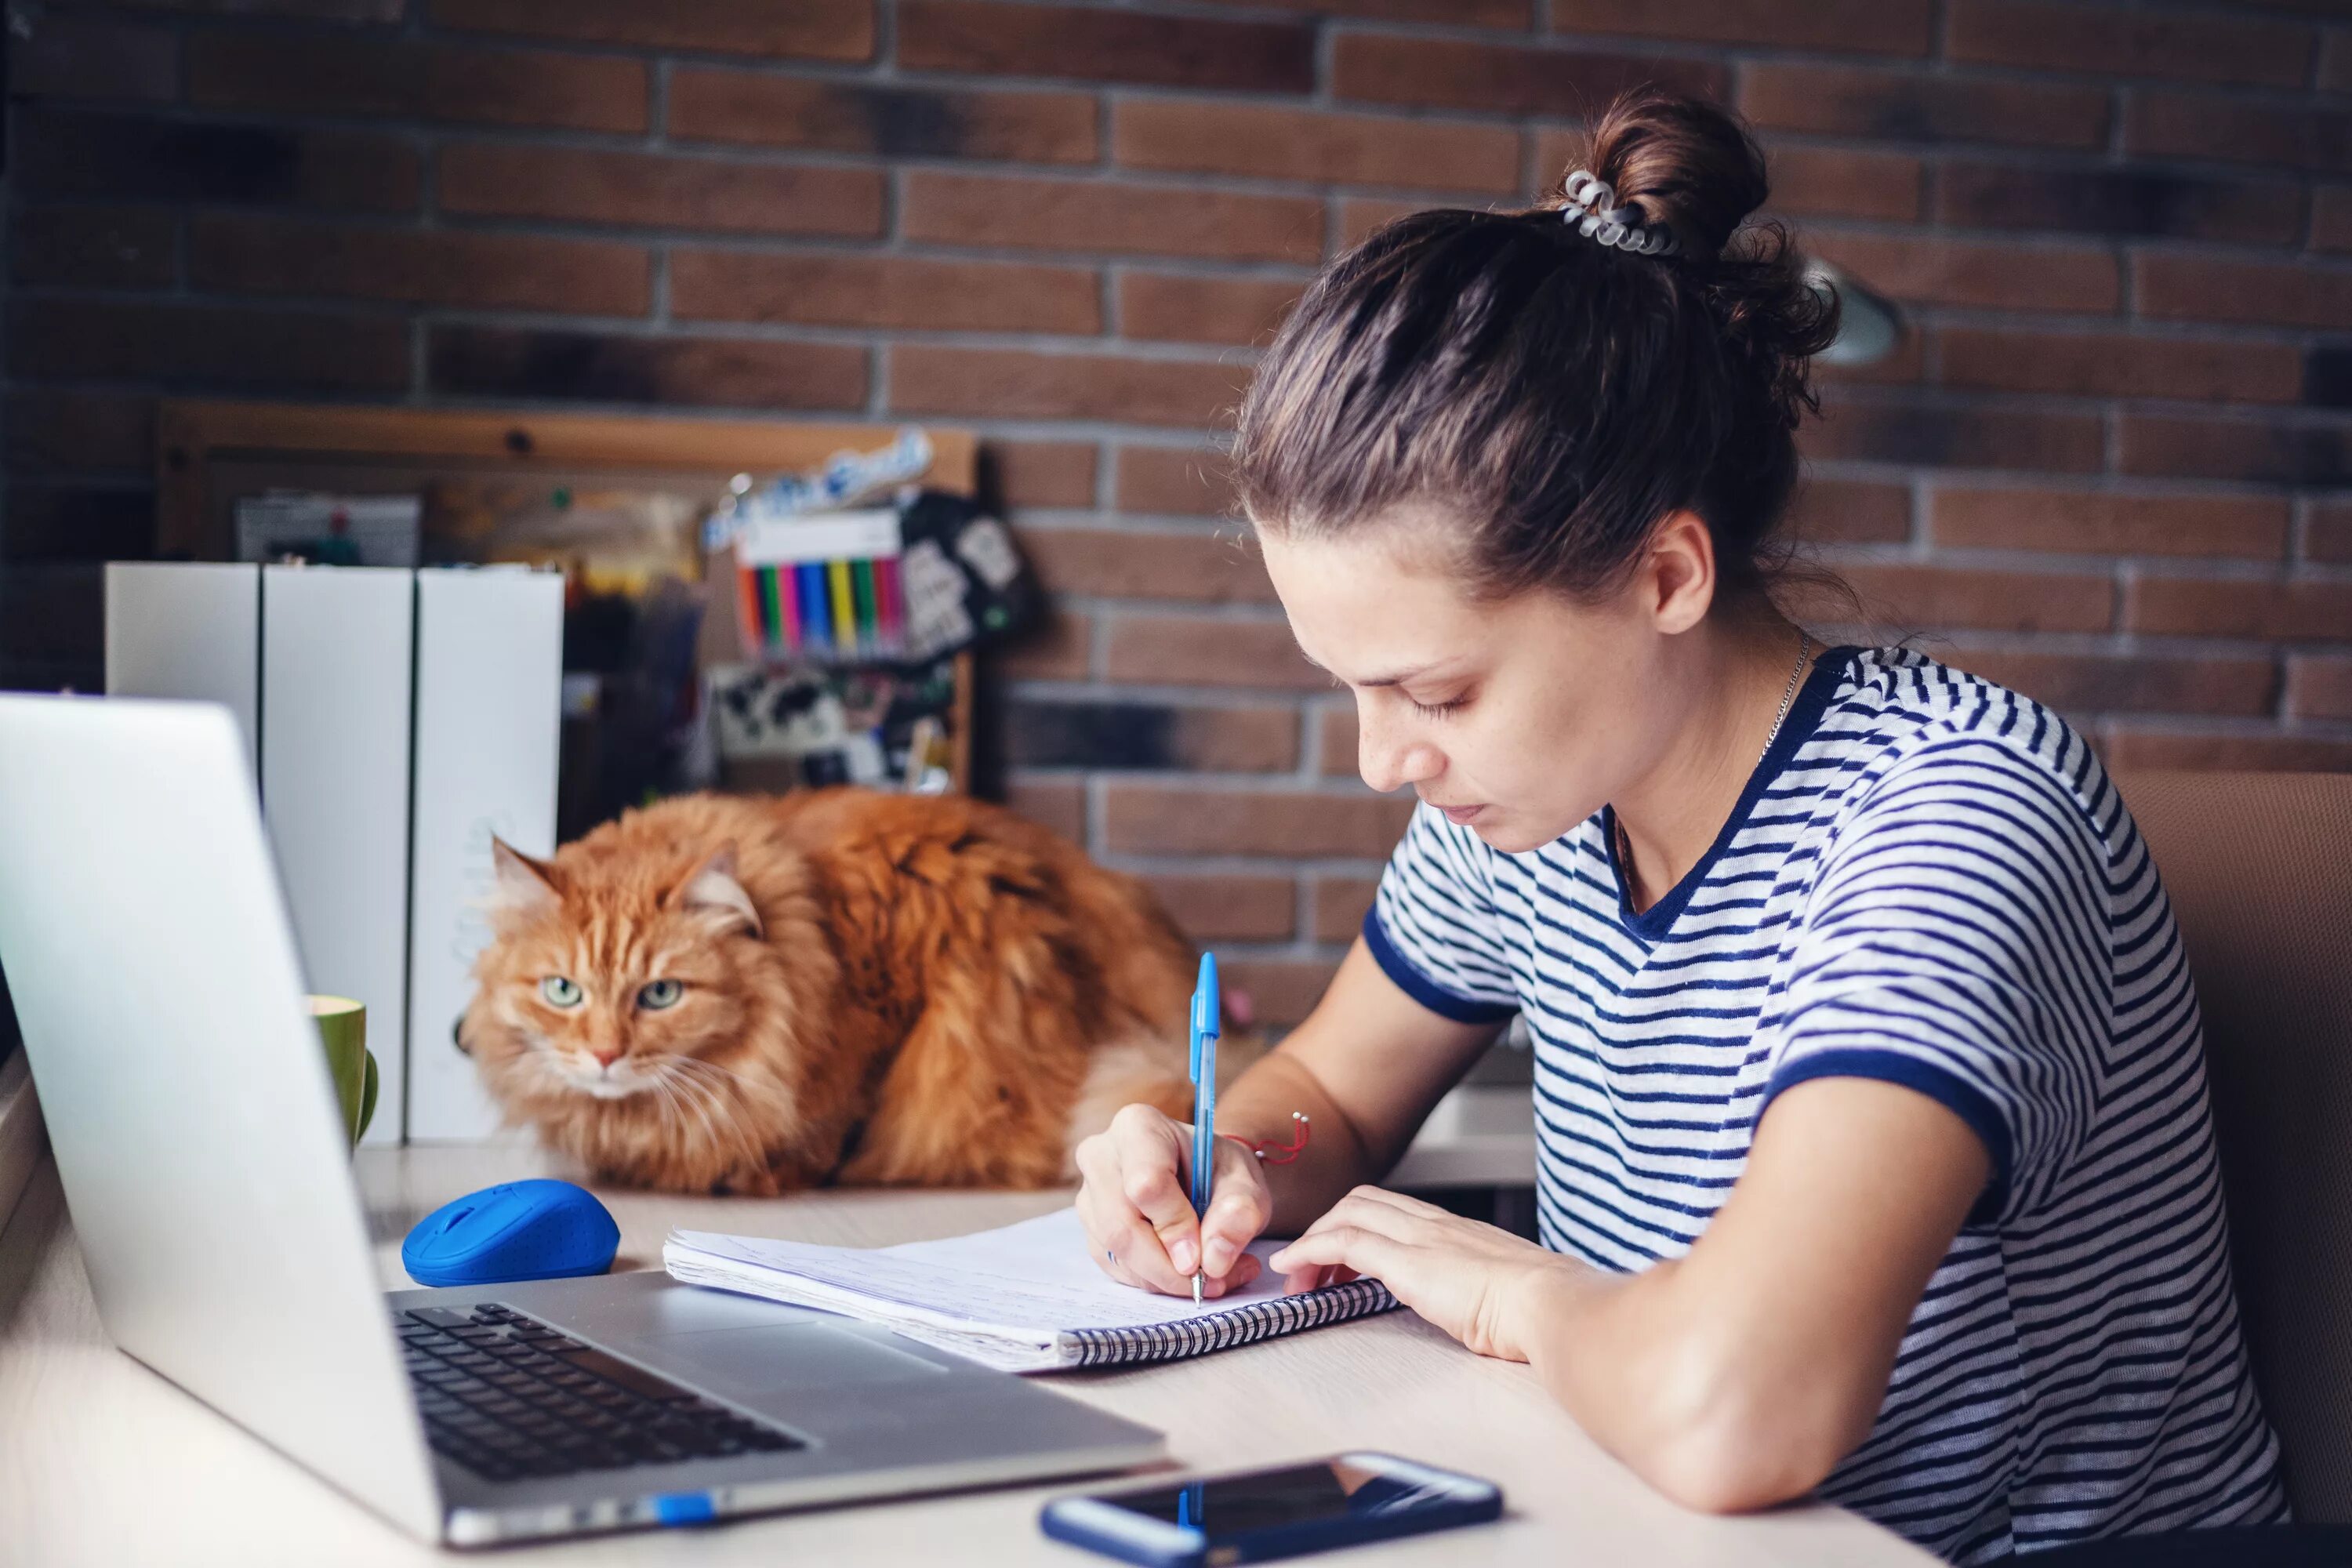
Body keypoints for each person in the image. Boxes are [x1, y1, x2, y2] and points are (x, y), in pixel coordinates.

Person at [1073, 88, 2285, 1564]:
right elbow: (1334, 1081)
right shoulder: (1524, 807)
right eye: (1351, 690)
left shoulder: (1953, 819)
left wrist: (1509, 1291)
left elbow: (1740, 1413)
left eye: (1435, 692)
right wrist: (1227, 1156)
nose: (1387, 760)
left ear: (1665, 578)